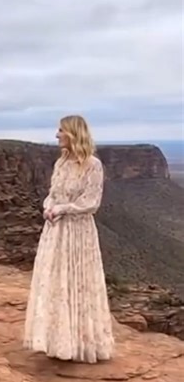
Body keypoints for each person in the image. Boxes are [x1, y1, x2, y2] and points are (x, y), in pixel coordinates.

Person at [23, 115, 114, 363]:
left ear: (73, 134)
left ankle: (82, 344)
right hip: (56, 230)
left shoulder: (93, 165)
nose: (56, 135)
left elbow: (91, 202)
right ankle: (58, 341)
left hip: (78, 232)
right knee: (56, 281)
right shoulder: (61, 163)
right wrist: (48, 206)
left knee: (78, 282)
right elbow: (53, 193)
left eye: (61, 130)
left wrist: (62, 210)